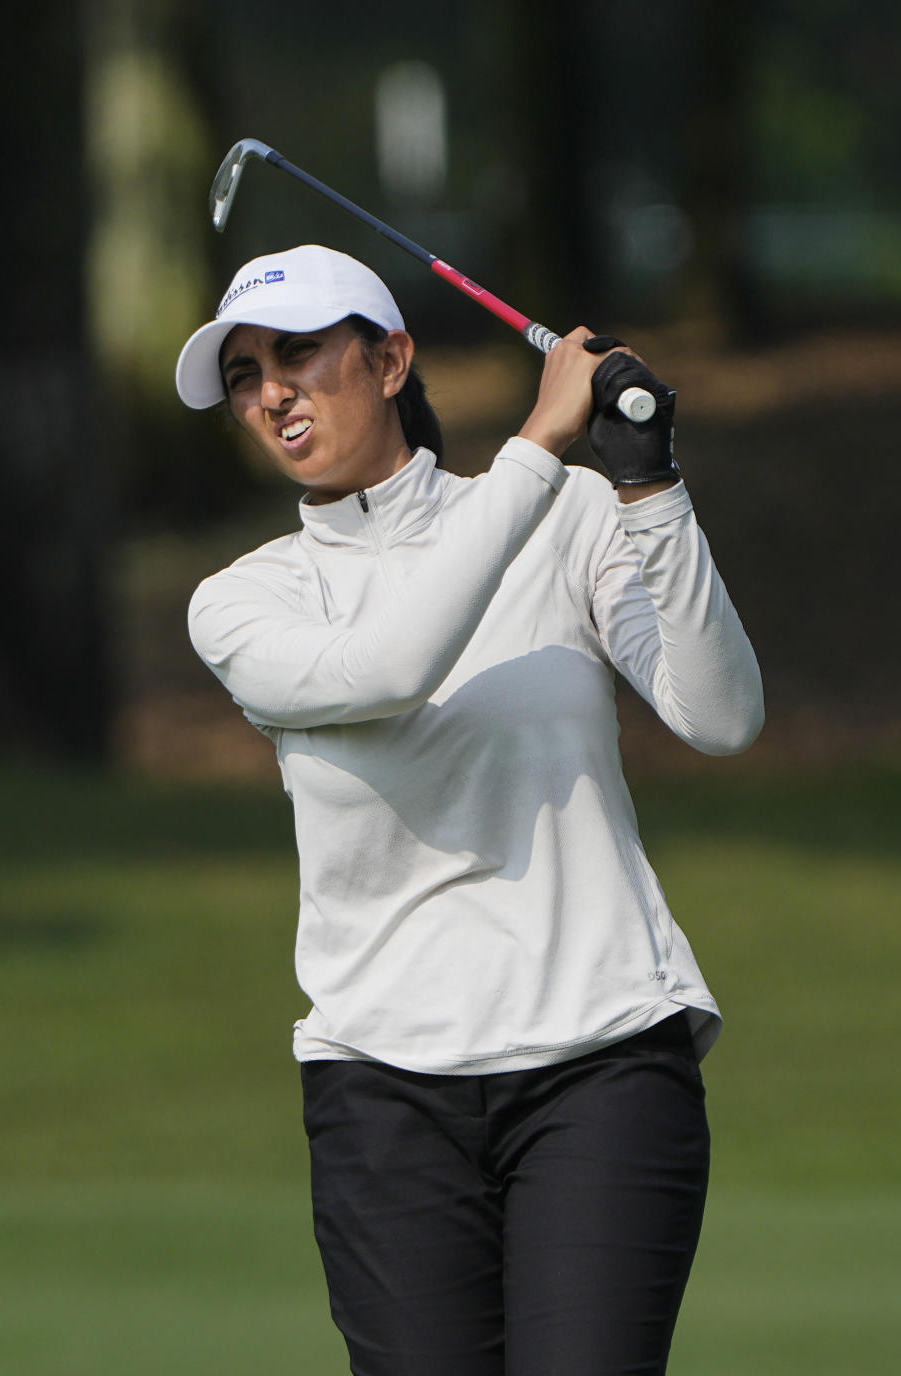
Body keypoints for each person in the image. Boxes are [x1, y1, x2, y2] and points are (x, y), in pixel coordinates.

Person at [175, 243, 764, 1376]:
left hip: (602, 1059)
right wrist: (537, 450)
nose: (272, 393)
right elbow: (393, 668)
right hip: (381, 1093)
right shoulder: (244, 600)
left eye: (299, 353)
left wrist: (650, 485)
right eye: (247, 375)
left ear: (391, 358)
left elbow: (722, 714)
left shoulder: (572, 515)